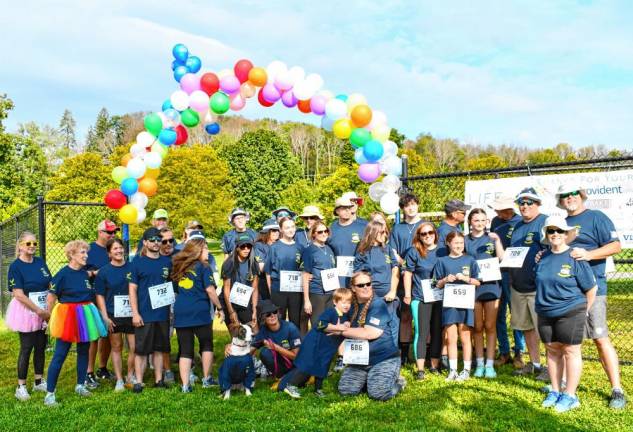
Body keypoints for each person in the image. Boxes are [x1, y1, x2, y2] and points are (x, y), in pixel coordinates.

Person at [556, 183, 626, 409]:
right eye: (565, 195)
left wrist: (588, 254)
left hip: (592, 289)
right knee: (567, 340)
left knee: (599, 338)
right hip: (566, 292)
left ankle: (617, 389)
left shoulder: (596, 217)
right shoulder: (559, 225)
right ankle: (566, 388)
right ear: (561, 201)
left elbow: (616, 246)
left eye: (573, 193)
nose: (570, 198)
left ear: (582, 196)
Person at [536, 215, 597, 412]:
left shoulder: (575, 256)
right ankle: (555, 391)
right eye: (551, 230)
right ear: (546, 234)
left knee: (571, 351)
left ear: (566, 234)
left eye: (559, 231)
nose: (555, 234)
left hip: (571, 311)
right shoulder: (541, 256)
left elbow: (591, 288)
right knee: (552, 350)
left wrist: (583, 311)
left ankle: (570, 395)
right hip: (545, 311)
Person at [44, 240, 108, 406]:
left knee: (84, 351)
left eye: (86, 252)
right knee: (60, 354)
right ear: (71, 255)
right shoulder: (62, 274)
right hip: (68, 316)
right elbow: (51, 297)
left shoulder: (84, 273)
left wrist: (95, 273)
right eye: (82, 253)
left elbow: (90, 276)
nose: (86, 255)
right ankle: (50, 394)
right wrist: (49, 318)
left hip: (86, 314)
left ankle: (80, 385)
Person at [337, 271, 405, 401]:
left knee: (378, 394)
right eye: (361, 285)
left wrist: (340, 331)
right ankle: (371, 379)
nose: (366, 287)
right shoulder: (349, 306)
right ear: (353, 288)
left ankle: (399, 382)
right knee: (346, 391)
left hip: (383, 358)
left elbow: (371, 333)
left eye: (368, 284)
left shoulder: (378, 304)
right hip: (359, 359)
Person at [171, 236, 224, 392]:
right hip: (199, 310)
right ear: (198, 250)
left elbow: (175, 289)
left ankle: (185, 385)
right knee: (206, 344)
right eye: (206, 248)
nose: (208, 251)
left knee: (185, 349)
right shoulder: (204, 267)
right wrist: (219, 307)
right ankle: (207, 378)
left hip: (181, 311)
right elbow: (210, 290)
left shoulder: (178, 267)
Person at [280, 288, 352, 398]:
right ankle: (291, 385)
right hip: (315, 342)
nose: (346, 305)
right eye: (343, 302)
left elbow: (345, 324)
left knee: (323, 366)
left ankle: (318, 389)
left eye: (348, 302)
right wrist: (337, 327)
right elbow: (319, 324)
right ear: (335, 302)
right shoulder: (331, 312)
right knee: (307, 364)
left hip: (327, 347)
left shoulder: (345, 315)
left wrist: (346, 324)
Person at [508, 187, 548, 379]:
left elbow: (555, 250)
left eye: (529, 202)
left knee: (545, 330)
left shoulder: (545, 222)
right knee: (526, 328)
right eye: (521, 203)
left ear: (538, 204)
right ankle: (535, 364)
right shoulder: (517, 226)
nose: (524, 206)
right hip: (518, 286)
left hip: (538, 287)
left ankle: (551, 366)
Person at [6, 232, 51, 401]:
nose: (32, 246)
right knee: (27, 347)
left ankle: (38, 381)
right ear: (20, 246)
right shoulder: (15, 267)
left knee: (41, 345)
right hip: (26, 309)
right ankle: (21, 386)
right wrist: (38, 310)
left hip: (43, 308)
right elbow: (18, 294)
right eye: (28, 244)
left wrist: (48, 308)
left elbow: (49, 283)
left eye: (34, 243)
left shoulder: (40, 262)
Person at [128, 227, 174, 393]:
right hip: (144, 313)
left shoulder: (166, 262)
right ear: (145, 242)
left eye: (158, 240)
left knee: (159, 348)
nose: (156, 243)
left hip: (162, 313)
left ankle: (158, 380)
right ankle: (139, 382)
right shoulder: (137, 263)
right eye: (152, 240)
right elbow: (132, 289)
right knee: (141, 350)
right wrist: (135, 312)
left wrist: (170, 308)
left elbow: (170, 287)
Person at [435, 231, 481, 381]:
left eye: (461, 243)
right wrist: (445, 280)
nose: (459, 246)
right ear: (448, 243)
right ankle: (453, 370)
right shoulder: (442, 261)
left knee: (466, 336)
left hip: (465, 303)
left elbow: (478, 281)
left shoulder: (470, 259)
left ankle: (466, 370)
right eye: (456, 243)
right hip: (449, 305)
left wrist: (467, 279)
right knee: (451, 338)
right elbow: (437, 284)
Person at [465, 208, 504, 379]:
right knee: (477, 327)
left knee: (490, 326)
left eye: (483, 220)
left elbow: (502, 258)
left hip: (491, 286)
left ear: (487, 222)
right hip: (473, 287)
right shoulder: (465, 240)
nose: (480, 224)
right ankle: (479, 363)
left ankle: (490, 364)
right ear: (470, 222)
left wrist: (498, 242)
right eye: (476, 220)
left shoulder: (492, 238)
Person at [488, 196, 526, 369]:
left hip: (514, 274)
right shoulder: (496, 221)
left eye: (500, 210)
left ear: (510, 209)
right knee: (498, 314)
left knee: (516, 315)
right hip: (495, 272)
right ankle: (504, 352)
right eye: (496, 210)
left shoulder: (520, 222)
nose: (497, 213)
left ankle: (519, 352)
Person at [95, 238, 136, 392]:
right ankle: (119, 379)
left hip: (132, 314)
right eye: (115, 249)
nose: (119, 251)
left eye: (120, 248)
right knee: (116, 347)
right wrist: (105, 317)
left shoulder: (133, 268)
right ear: (109, 253)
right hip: (113, 314)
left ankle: (130, 375)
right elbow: (100, 295)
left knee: (135, 347)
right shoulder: (104, 272)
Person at [403, 223, 442, 380]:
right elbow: (407, 273)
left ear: (435, 233)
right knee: (422, 331)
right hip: (420, 297)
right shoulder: (414, 251)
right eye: (423, 234)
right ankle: (420, 369)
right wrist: (407, 294)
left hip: (440, 297)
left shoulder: (442, 250)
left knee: (437, 331)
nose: (427, 236)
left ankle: (434, 365)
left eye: (430, 232)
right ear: (418, 236)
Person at [389, 193, 424, 365]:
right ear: (402, 209)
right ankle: (404, 353)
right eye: (407, 205)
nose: (411, 208)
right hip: (403, 275)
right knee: (405, 315)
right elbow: (393, 252)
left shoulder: (426, 226)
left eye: (413, 204)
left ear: (418, 205)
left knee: (423, 316)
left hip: (422, 276)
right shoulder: (397, 228)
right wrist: (405, 264)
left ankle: (423, 352)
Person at [86, 219, 119, 386]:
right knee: (94, 335)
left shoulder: (115, 248)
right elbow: (78, 272)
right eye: (109, 232)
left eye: (114, 232)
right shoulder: (89, 250)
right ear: (100, 232)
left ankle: (102, 368)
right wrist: (94, 273)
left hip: (111, 298)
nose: (113, 235)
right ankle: (89, 372)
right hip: (93, 297)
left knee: (107, 332)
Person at [265, 217, 304, 328]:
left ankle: (294, 343)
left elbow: (303, 269)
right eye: (287, 228)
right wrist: (271, 290)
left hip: (295, 290)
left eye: (292, 227)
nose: (290, 230)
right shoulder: (274, 247)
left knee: (295, 320)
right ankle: (278, 343)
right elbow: (268, 272)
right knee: (279, 319)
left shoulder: (300, 247)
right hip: (278, 289)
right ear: (281, 230)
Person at [249, 300, 302, 379]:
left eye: (274, 311)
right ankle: (281, 376)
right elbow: (250, 350)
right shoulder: (263, 331)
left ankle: (292, 376)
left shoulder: (290, 328)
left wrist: (276, 347)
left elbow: (296, 356)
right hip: (283, 365)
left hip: (298, 365)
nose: (272, 315)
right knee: (265, 353)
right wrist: (232, 348)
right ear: (262, 318)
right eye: (268, 314)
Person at [302, 221, 338, 328]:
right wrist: (307, 300)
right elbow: (305, 275)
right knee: (318, 325)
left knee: (329, 324)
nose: (324, 234)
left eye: (326, 231)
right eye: (320, 232)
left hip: (330, 293)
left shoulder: (329, 249)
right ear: (313, 234)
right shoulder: (309, 251)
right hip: (317, 293)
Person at [221, 234, 259, 334]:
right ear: (237, 248)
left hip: (244, 300)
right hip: (228, 300)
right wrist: (231, 311)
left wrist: (254, 309)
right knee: (236, 335)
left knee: (255, 332)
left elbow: (255, 288)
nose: (246, 249)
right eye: (243, 247)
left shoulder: (253, 263)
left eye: (249, 246)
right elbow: (226, 289)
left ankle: (251, 350)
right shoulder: (229, 263)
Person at [353, 220, 399, 301]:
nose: (385, 235)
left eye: (386, 232)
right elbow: (358, 276)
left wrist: (393, 291)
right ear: (373, 233)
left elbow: (395, 269)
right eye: (382, 232)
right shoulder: (363, 252)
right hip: (370, 295)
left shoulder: (387, 248)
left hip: (388, 295)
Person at [328, 196, 365, 288]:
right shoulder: (331, 229)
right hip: (338, 277)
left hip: (358, 274)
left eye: (349, 208)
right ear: (337, 211)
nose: (347, 211)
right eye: (344, 208)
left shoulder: (363, 227)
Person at [255, 218, 280, 301]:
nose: (277, 232)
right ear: (266, 232)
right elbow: (262, 268)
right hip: (264, 282)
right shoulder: (259, 245)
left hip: (279, 281)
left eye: (278, 230)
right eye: (273, 230)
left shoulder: (280, 244)